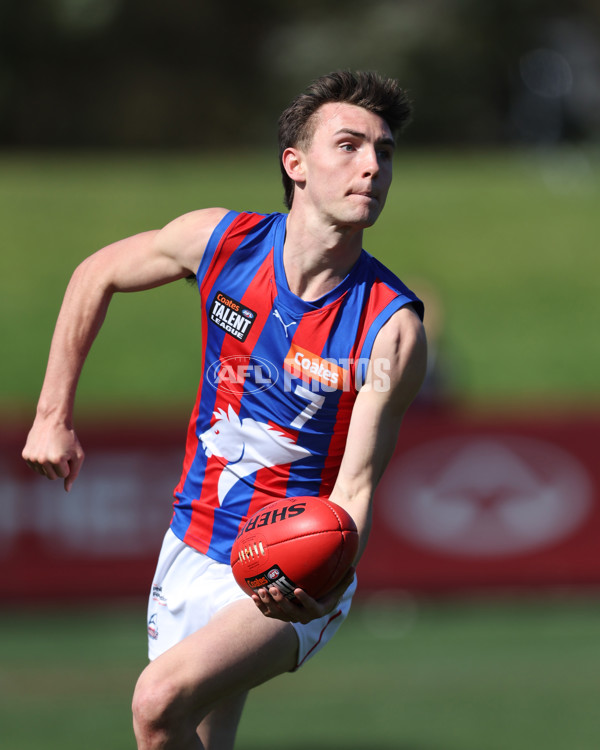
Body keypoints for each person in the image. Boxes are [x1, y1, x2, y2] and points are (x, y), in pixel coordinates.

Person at [22, 70, 427, 749]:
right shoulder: (221, 243)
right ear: (294, 164)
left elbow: (355, 486)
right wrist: (51, 414)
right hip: (192, 540)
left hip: (287, 566)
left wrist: (324, 577)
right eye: (350, 146)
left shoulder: (389, 328)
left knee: (156, 704)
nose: (373, 167)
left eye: (384, 152)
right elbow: (97, 272)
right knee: (197, 736)